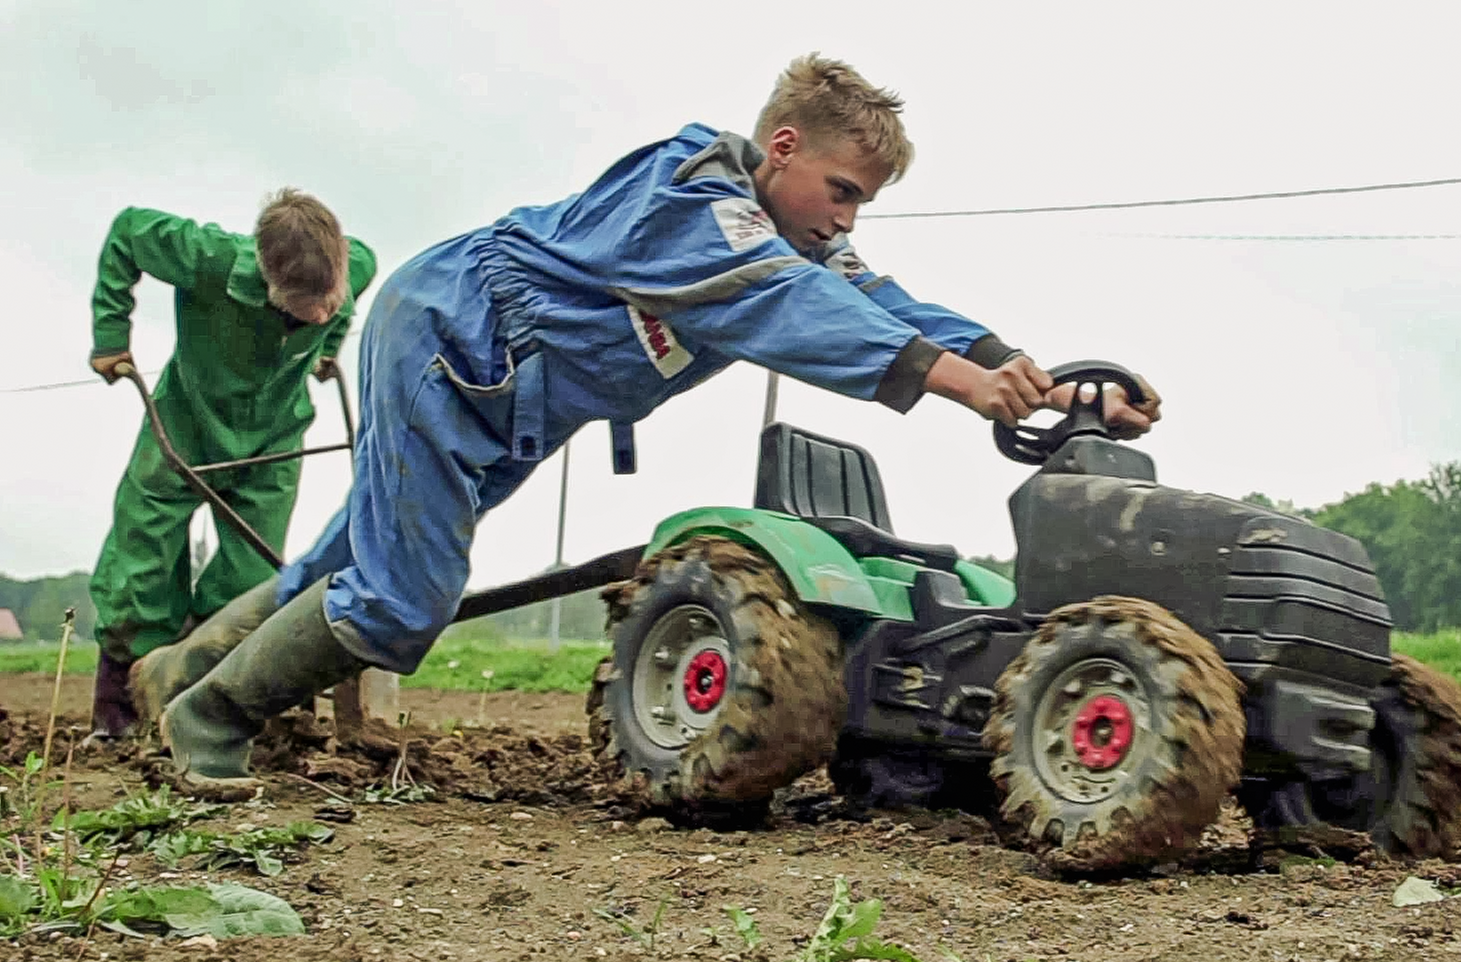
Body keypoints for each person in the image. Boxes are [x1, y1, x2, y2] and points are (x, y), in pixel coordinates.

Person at [133, 54, 1160, 786]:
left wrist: (1049, 387)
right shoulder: (691, 197)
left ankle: (177, 672)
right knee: (408, 594)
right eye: (842, 191)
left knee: (357, 550)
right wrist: (955, 383)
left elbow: (885, 305)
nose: (847, 218)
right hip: (451, 340)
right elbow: (785, 306)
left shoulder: (796, 241)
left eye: (862, 204)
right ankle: (209, 720)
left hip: (506, 392)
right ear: (784, 147)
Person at [84, 191, 377, 742]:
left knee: (250, 578)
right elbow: (127, 230)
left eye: (329, 302)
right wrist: (110, 336)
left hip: (274, 438)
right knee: (139, 568)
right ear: (266, 275)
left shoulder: (355, 264)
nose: (318, 314)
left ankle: (209, 696)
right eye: (303, 303)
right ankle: (121, 710)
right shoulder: (205, 258)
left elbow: (339, 305)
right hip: (186, 426)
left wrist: (326, 347)